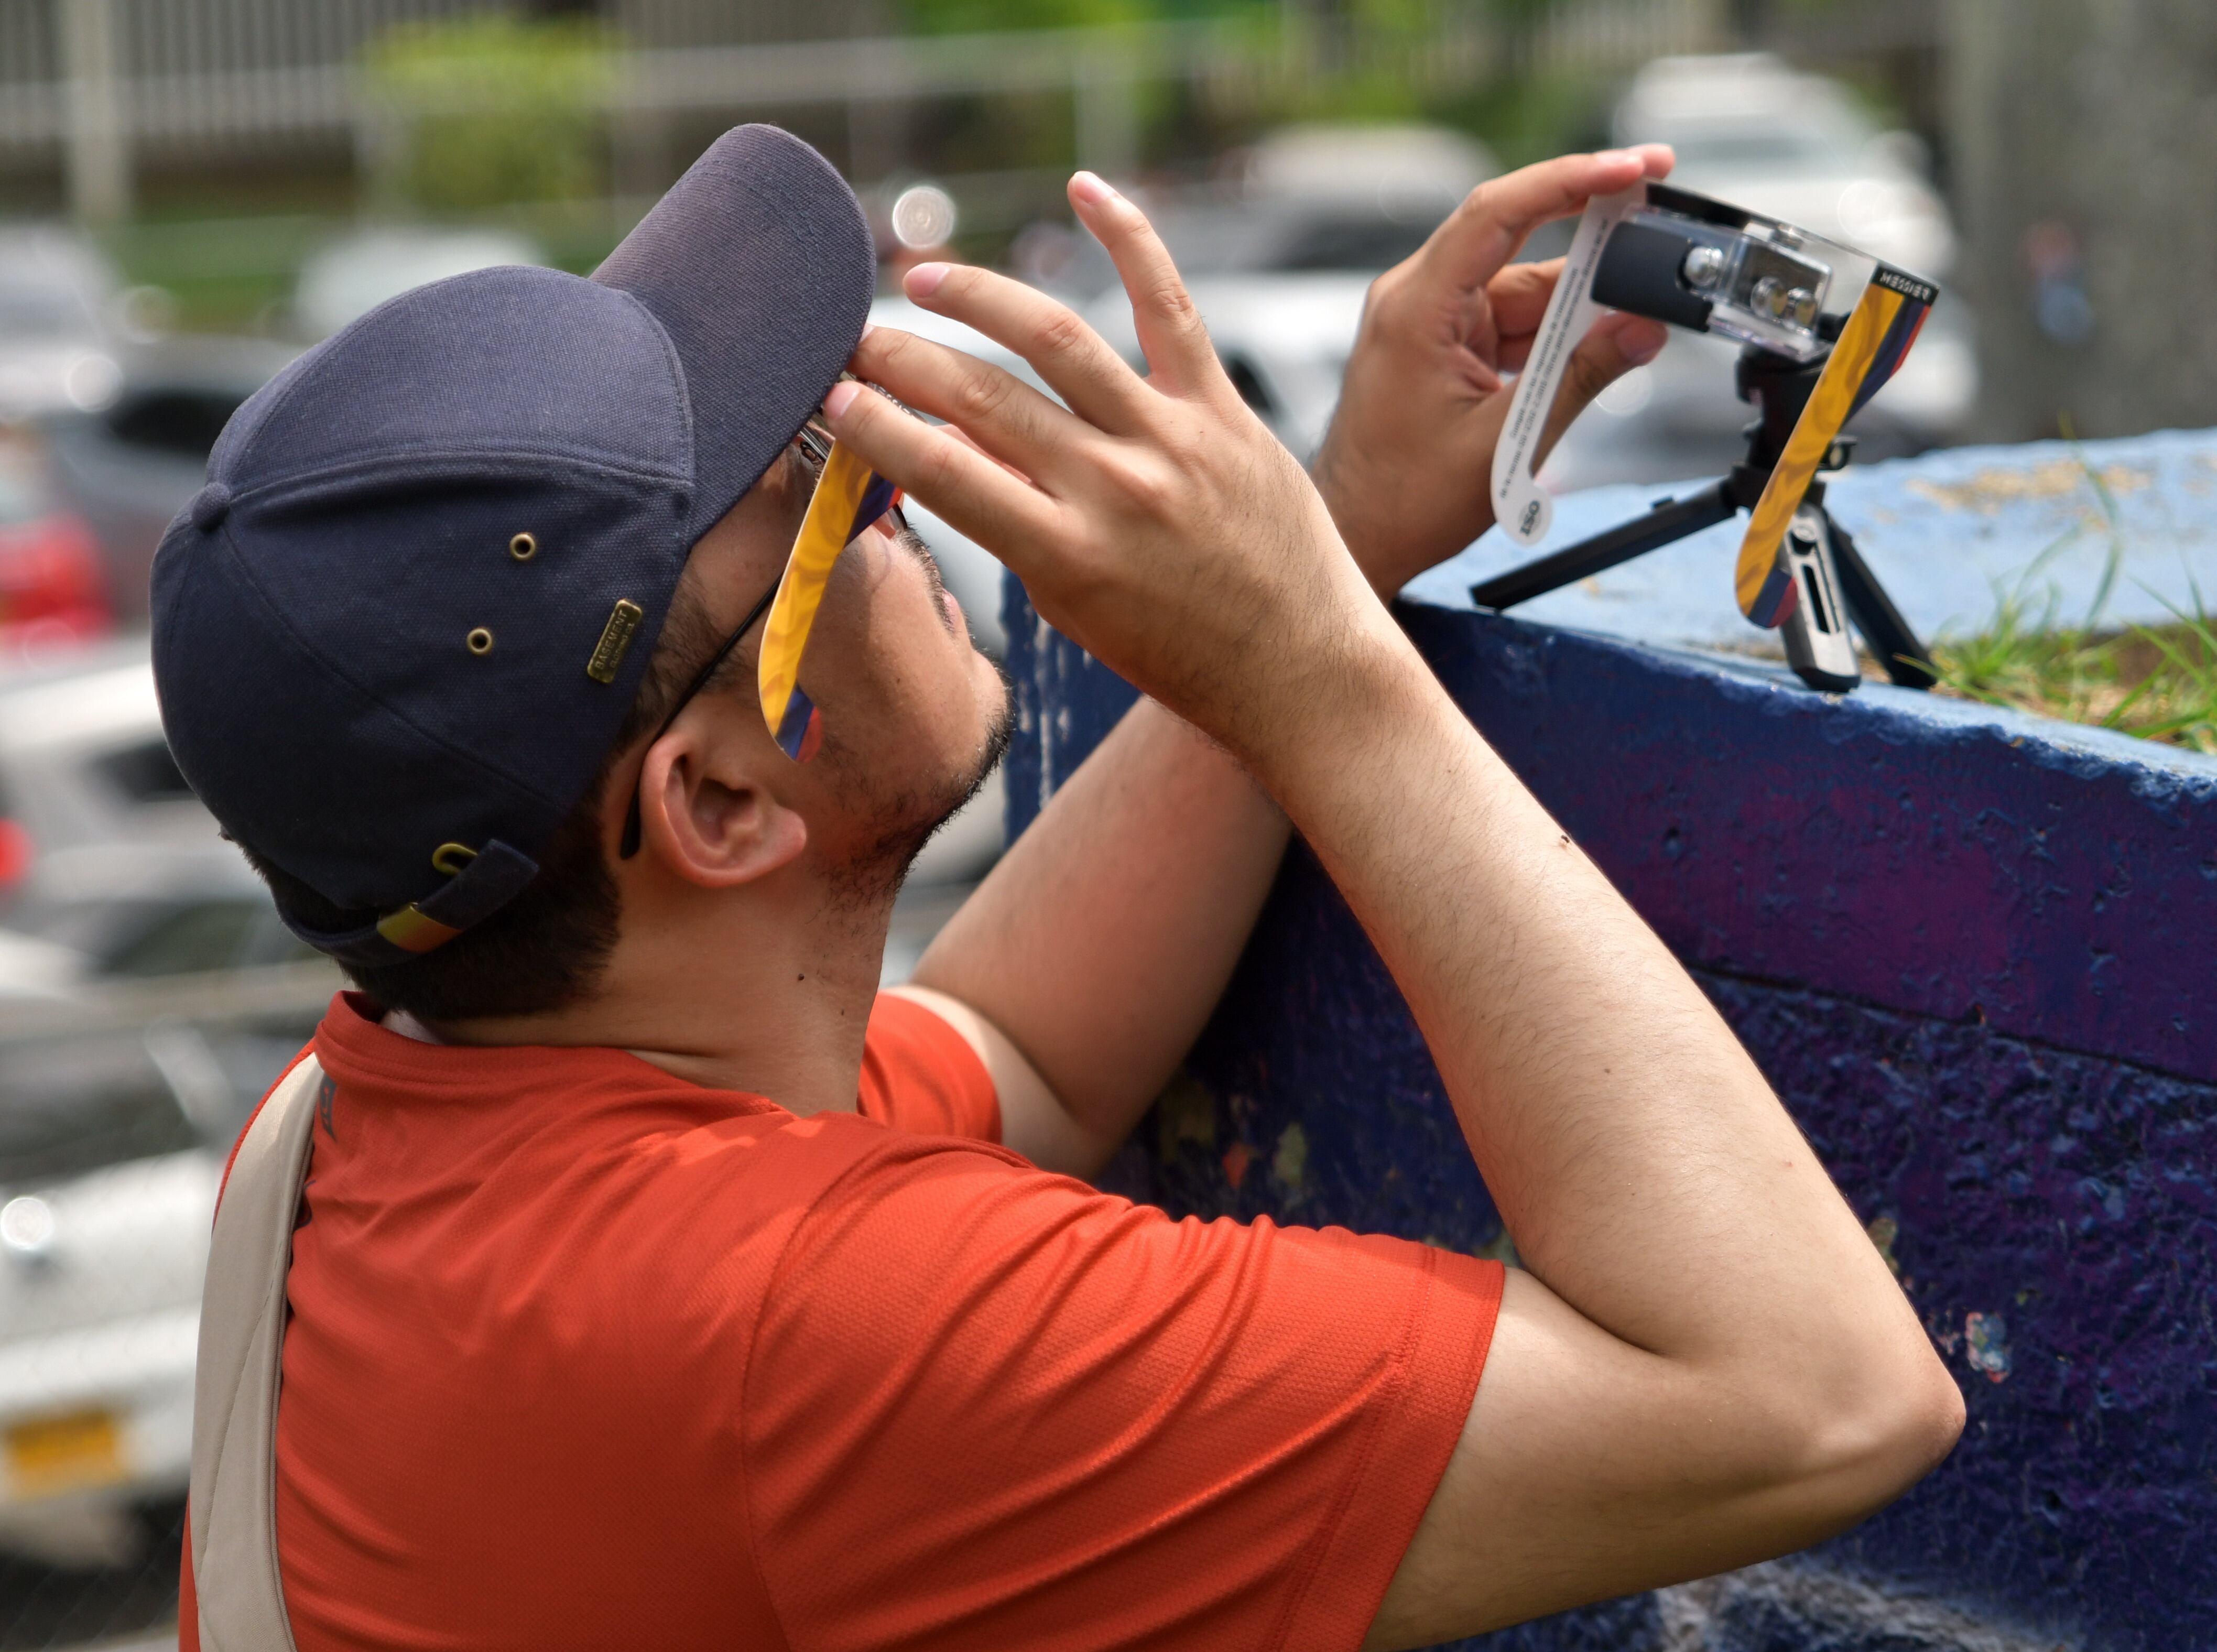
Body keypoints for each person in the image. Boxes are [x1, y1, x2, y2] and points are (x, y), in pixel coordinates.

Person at [157, 125, 1962, 1650]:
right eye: (831, 488)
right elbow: (1812, 1399)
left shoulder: (364, 1126)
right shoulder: (806, 1337)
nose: (905, 488)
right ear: (714, 798)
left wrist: (1331, 531)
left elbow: (1022, 1042)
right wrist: (1326, 680)